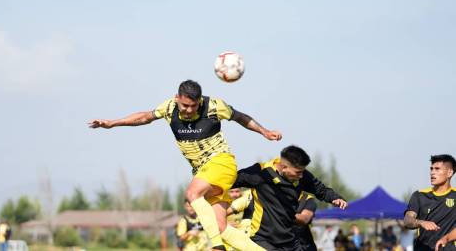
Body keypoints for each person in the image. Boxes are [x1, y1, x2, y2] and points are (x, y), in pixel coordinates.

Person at [89, 80, 281, 250]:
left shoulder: (214, 106)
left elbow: (240, 117)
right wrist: (112, 123)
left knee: (192, 194)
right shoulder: (169, 107)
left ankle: (216, 247)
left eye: (194, 106)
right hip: (203, 170)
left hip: (221, 161)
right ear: (177, 98)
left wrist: (264, 131)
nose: (189, 110)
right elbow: (144, 117)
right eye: (185, 105)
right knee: (221, 227)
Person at [231, 145, 348, 250]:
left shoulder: (302, 176)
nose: (301, 175)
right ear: (284, 167)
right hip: (263, 240)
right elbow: (229, 180)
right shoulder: (260, 173)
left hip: (290, 240)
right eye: (298, 172)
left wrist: (335, 198)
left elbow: (320, 189)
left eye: (302, 172)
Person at [404, 154, 456, 250]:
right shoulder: (419, 195)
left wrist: (447, 238)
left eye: (437, 169)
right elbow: (407, 220)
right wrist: (420, 222)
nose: (432, 172)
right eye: (431, 169)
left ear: (449, 173)